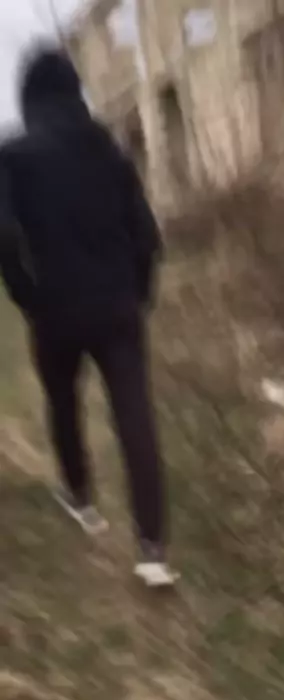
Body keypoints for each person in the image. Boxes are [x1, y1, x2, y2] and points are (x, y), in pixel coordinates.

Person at [0, 44, 177, 587]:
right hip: (117, 304)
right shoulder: (111, 151)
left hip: (54, 308)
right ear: (75, 91)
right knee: (134, 415)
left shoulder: (14, 156)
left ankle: (82, 501)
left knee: (63, 403)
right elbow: (147, 236)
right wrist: (139, 293)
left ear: (29, 98)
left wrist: (27, 297)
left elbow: (4, 236)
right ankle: (152, 548)